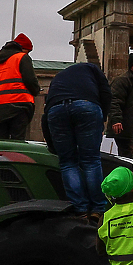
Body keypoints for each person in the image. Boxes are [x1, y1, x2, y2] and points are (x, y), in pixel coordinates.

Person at [42, 62, 112, 218]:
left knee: (67, 162)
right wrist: (102, 120)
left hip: (56, 110)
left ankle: (80, 208)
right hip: (86, 106)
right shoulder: (92, 68)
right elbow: (106, 93)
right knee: (91, 160)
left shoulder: (58, 78)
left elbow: (45, 115)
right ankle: (98, 208)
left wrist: (52, 146)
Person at [0, 33, 40, 140]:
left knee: (0, 142)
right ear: (23, 48)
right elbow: (30, 80)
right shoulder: (21, 57)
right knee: (17, 142)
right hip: (19, 105)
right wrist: (36, 91)